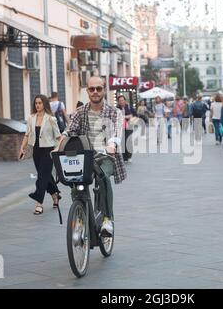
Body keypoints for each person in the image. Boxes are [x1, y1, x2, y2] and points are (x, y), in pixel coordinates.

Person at [56, 76, 126, 237]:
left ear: (104, 90)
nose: (95, 92)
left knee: (103, 178)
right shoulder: (80, 112)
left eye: (99, 88)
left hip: (105, 156)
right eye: (92, 89)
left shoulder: (114, 112)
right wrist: (61, 141)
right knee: (75, 182)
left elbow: (116, 132)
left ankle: (107, 219)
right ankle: (80, 216)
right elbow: (70, 130)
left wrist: (112, 144)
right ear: (87, 90)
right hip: (85, 156)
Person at [20, 95, 62, 215]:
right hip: (36, 151)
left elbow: (58, 137)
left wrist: (57, 149)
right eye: (36, 103)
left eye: (40, 103)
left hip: (48, 151)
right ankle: (55, 195)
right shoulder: (31, 118)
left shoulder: (50, 119)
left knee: (42, 177)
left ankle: (39, 202)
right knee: (46, 175)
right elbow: (27, 135)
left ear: (44, 104)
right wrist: (22, 148)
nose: (37, 105)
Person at [117, 95, 136, 163]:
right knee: (122, 142)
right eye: (120, 101)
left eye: (122, 100)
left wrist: (130, 117)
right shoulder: (117, 109)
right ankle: (124, 157)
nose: (121, 102)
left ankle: (129, 157)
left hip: (129, 126)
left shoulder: (129, 107)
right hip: (120, 127)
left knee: (128, 141)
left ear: (125, 100)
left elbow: (135, 115)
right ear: (118, 102)